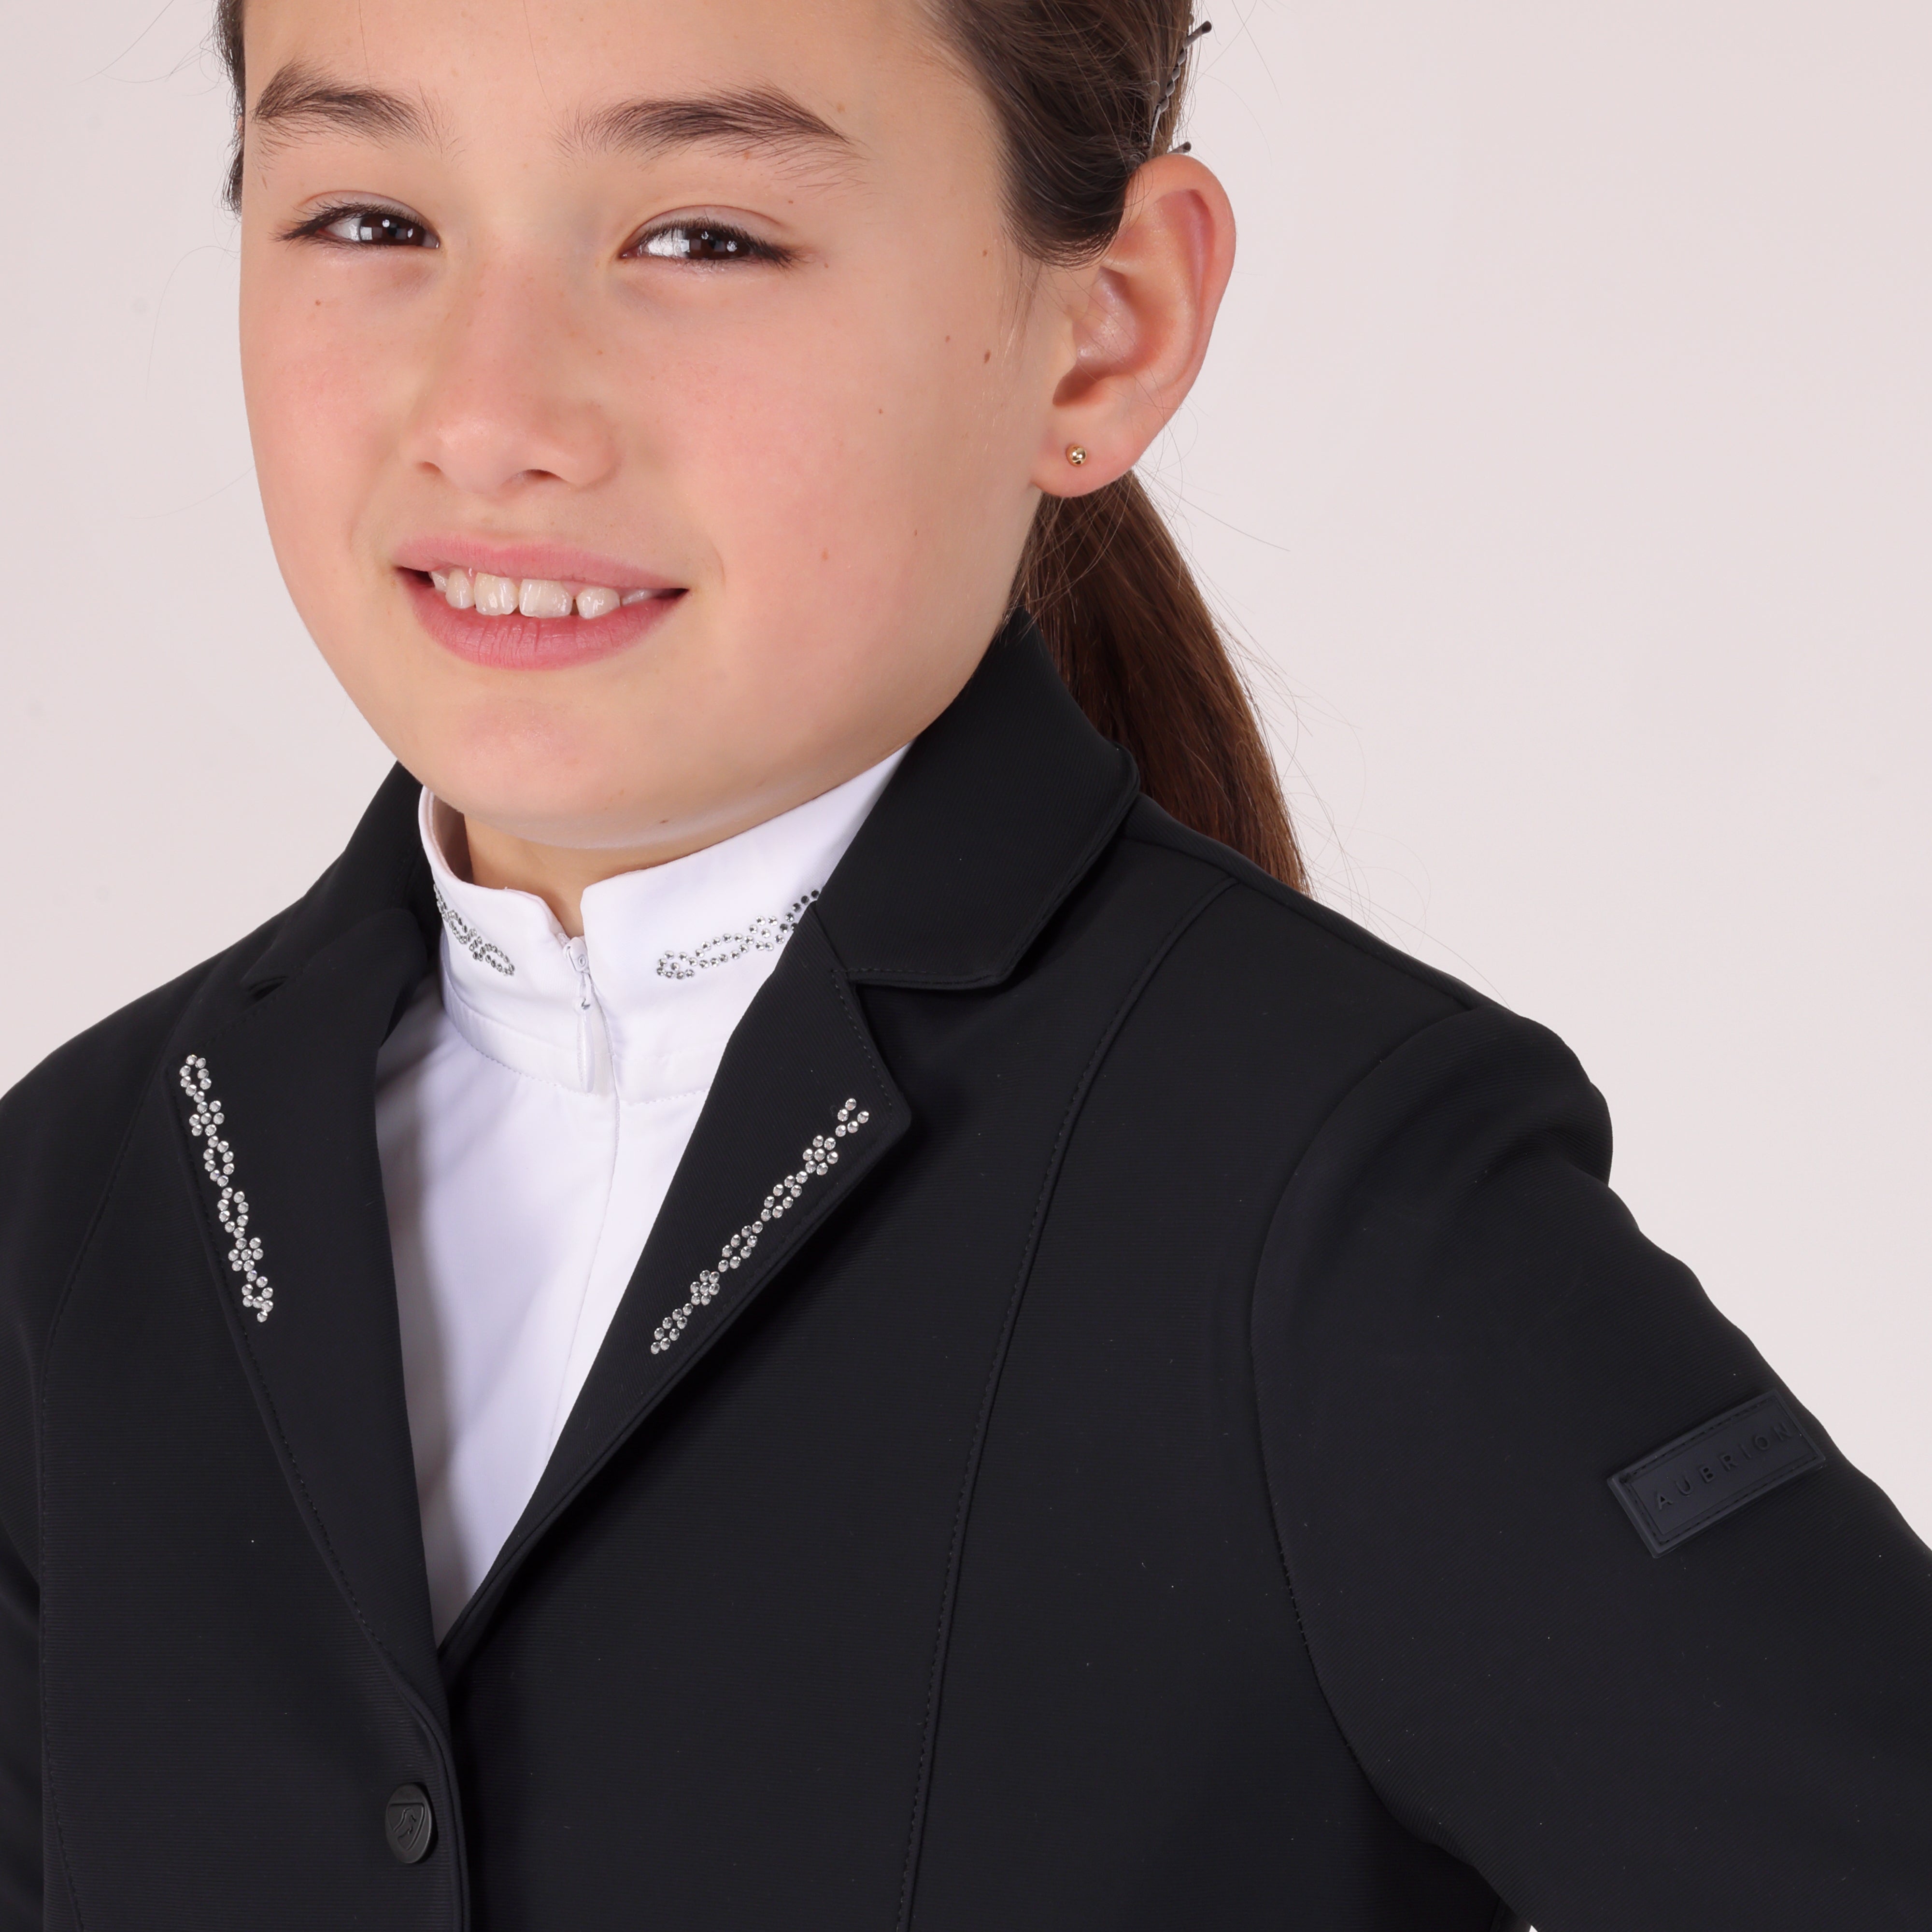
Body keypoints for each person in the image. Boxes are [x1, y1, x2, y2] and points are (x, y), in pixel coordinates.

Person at [1, 0, 1926, 1924]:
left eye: (703, 235)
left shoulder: (1328, 1200)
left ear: (1109, 328)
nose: (490, 417)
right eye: (368, 220)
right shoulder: (76, 1204)